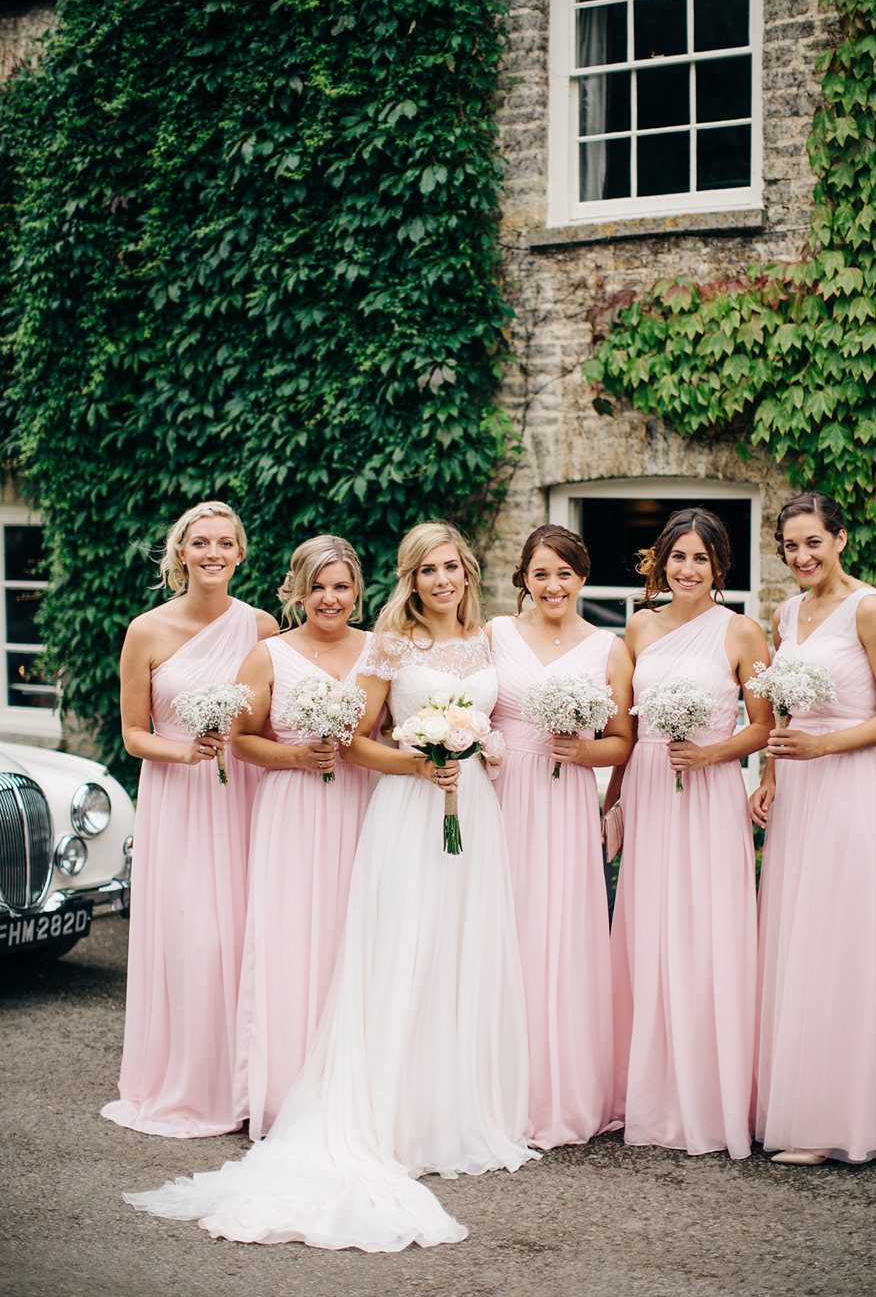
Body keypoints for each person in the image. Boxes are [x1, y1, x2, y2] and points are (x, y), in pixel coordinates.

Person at [124, 522, 536, 1250]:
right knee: (369, 952)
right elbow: (361, 734)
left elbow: (505, 716)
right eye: (427, 569)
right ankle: (345, 1105)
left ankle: (452, 1105)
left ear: (468, 573)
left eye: (451, 567)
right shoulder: (372, 645)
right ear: (409, 578)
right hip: (392, 805)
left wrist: (485, 748)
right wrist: (414, 761)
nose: (442, 579)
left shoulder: (492, 639)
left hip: (471, 813)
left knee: (453, 954)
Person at [751, 492, 876, 1164]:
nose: (802, 556)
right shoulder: (785, 612)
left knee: (842, 940)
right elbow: (785, 713)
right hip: (797, 789)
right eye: (790, 546)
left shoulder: (869, 608)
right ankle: (797, 1106)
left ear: (840, 539)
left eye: (813, 542)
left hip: (850, 786)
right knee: (797, 938)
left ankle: (840, 1122)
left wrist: (825, 747)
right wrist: (768, 777)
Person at [102, 500, 278, 1137]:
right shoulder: (145, 631)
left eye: (224, 543)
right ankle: (190, 1083)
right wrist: (187, 750)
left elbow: (269, 714)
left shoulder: (260, 626)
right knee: (194, 938)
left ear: (239, 554)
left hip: (244, 796)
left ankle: (247, 1079)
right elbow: (131, 734)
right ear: (181, 553)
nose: (212, 553)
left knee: (244, 931)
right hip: (178, 797)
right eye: (199, 543)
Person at [606, 508, 772, 1159]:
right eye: (678, 557)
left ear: (719, 567)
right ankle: (646, 1093)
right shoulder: (640, 626)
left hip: (707, 789)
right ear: (660, 561)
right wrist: (613, 798)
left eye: (701, 559)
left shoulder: (742, 633)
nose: (688, 569)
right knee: (650, 927)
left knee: (707, 930)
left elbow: (763, 725)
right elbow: (625, 725)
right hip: (652, 784)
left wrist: (713, 754)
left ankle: (711, 1098)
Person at [486, 524, 633, 1147]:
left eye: (565, 573)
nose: (553, 585)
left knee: (561, 932)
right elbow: (465, 706)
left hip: (566, 796)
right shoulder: (493, 634)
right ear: (524, 577)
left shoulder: (608, 648)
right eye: (541, 573)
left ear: (582, 577)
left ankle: (559, 1092)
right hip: (501, 793)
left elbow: (623, 742)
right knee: (499, 928)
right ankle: (491, 1088)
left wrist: (585, 750)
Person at [232, 536, 375, 1140]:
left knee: (355, 937)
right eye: (317, 585)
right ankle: (284, 1088)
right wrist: (295, 756)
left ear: (356, 592)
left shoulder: (379, 651)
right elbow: (242, 740)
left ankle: (354, 1086)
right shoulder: (268, 656)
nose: (329, 598)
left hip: (362, 806)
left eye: (340, 586)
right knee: (292, 939)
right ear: (296, 590)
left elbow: (391, 729)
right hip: (291, 812)